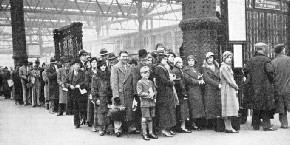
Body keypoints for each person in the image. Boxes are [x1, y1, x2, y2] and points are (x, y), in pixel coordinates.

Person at [244, 43, 276, 131]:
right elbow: (270, 71)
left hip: (253, 87)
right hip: (264, 87)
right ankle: (266, 126)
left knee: (256, 106)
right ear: (263, 50)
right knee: (265, 107)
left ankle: (255, 125)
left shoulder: (250, 60)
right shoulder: (266, 60)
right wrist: (271, 80)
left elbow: (245, 71)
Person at [110, 50, 137, 137]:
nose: (125, 58)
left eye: (126, 56)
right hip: (120, 93)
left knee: (130, 110)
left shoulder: (130, 67)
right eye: (123, 56)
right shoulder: (115, 67)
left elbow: (133, 81)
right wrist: (116, 95)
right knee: (118, 111)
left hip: (129, 92)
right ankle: (118, 129)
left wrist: (135, 92)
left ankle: (131, 128)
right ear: (119, 57)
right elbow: (114, 82)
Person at [154, 53, 176, 137]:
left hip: (166, 92)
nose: (165, 60)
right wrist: (172, 82)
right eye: (163, 59)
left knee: (168, 111)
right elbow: (163, 80)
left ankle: (168, 129)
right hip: (163, 93)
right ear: (160, 60)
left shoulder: (162, 68)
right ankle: (164, 130)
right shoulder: (159, 68)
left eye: (166, 58)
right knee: (164, 112)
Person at [183, 55, 205, 131]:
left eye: (192, 61)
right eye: (189, 61)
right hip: (191, 90)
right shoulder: (185, 69)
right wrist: (198, 81)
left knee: (197, 107)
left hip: (197, 90)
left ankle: (196, 122)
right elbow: (188, 80)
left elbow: (200, 76)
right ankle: (192, 123)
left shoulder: (196, 69)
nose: (191, 62)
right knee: (192, 107)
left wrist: (200, 78)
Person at [271, 44, 290, 129]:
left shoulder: (273, 62)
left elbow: (271, 75)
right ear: (282, 50)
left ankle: (284, 123)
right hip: (288, 85)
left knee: (281, 106)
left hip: (278, 86)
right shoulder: (288, 60)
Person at [136, 66, 158, 140]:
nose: (147, 74)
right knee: (145, 118)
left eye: (148, 72)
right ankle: (144, 133)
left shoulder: (151, 82)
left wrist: (154, 94)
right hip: (144, 103)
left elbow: (155, 90)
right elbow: (139, 92)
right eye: (145, 72)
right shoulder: (140, 82)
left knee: (151, 118)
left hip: (151, 102)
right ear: (141, 74)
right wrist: (148, 95)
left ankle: (151, 132)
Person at [91, 60, 112, 136]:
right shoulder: (95, 76)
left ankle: (107, 128)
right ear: (99, 67)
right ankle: (101, 129)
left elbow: (110, 86)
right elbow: (93, 88)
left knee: (107, 113)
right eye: (101, 66)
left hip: (107, 96)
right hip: (100, 96)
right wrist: (96, 98)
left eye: (104, 66)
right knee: (100, 114)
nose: (103, 67)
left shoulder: (108, 75)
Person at [220, 51, 239, 133]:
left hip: (229, 89)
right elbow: (229, 80)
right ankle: (228, 127)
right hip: (227, 89)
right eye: (227, 57)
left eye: (230, 58)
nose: (229, 59)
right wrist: (236, 86)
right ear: (224, 58)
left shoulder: (227, 67)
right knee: (227, 108)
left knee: (229, 108)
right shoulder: (224, 67)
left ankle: (229, 126)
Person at [65, 58, 86, 128]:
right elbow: (65, 82)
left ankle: (83, 119)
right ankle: (76, 123)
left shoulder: (83, 73)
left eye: (79, 64)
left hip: (81, 93)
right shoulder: (70, 74)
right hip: (73, 94)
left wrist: (80, 85)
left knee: (82, 108)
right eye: (76, 64)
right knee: (75, 108)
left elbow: (86, 82)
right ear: (73, 66)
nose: (78, 66)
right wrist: (69, 85)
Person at [202, 52, 222, 128]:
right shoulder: (204, 68)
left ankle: (216, 123)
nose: (209, 60)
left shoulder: (217, 66)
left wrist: (220, 83)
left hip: (217, 89)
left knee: (217, 105)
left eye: (211, 58)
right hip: (210, 88)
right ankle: (210, 123)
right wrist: (217, 84)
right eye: (208, 58)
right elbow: (207, 79)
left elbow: (221, 76)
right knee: (210, 105)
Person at [172, 57, 191, 133]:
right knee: (182, 110)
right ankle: (182, 127)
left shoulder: (179, 70)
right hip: (180, 92)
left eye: (181, 62)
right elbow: (180, 83)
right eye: (178, 62)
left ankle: (182, 126)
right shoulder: (176, 71)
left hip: (179, 92)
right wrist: (184, 93)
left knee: (182, 110)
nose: (181, 64)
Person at [85, 57, 98, 130]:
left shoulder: (99, 71)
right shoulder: (88, 73)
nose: (94, 64)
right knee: (92, 108)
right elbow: (86, 83)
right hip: (91, 91)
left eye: (95, 62)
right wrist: (90, 91)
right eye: (92, 62)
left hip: (99, 91)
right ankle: (93, 124)